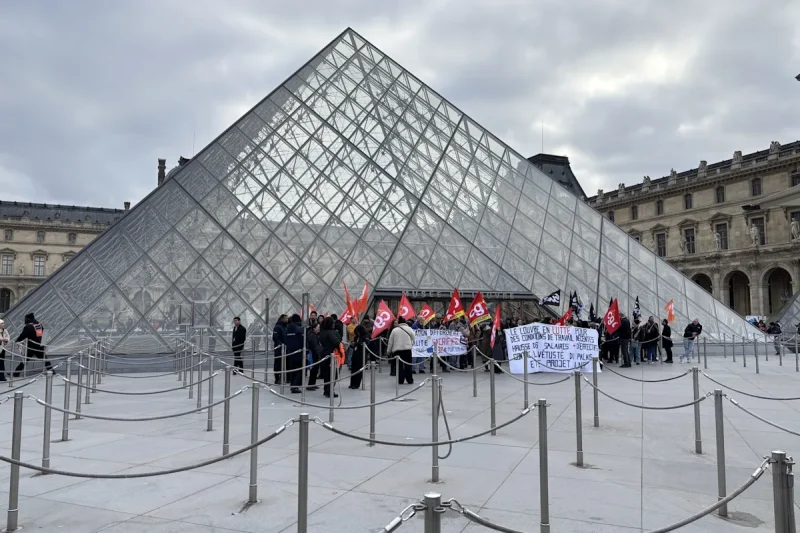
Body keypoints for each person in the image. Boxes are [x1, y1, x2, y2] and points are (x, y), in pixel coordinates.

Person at [318, 316, 342, 398]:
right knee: (333, 374)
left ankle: (326, 390)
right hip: (333, 354)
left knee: (327, 374)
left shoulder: (322, 332)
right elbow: (336, 342)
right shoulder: (331, 332)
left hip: (324, 354)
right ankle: (330, 391)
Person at [388, 316, 415, 384]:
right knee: (408, 365)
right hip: (407, 350)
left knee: (399, 366)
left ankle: (400, 380)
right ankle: (409, 379)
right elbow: (414, 339)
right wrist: (410, 345)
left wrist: (389, 351)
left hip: (397, 350)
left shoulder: (394, 330)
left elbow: (390, 342)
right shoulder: (409, 329)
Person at [284, 314, 304, 393]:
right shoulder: (299, 329)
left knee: (293, 369)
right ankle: (295, 386)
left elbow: (285, 339)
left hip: (290, 351)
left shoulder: (287, 328)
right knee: (298, 370)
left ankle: (293, 385)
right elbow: (302, 340)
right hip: (298, 351)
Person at [349, 319, 370, 389]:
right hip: (355, 354)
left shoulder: (366, 336)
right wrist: (352, 344)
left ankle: (356, 384)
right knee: (353, 369)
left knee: (359, 370)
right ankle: (352, 383)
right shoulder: (357, 336)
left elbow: (366, 344)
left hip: (361, 355)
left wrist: (357, 344)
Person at [304, 321, 323, 391]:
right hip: (314, 355)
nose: (319, 329)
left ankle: (313, 384)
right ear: (314, 328)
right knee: (313, 370)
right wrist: (319, 352)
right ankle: (310, 385)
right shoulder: (312, 335)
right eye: (318, 327)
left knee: (315, 370)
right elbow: (315, 346)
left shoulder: (314, 335)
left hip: (315, 354)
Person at [272, 315, 288, 385]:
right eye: (286, 318)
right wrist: (281, 345)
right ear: (282, 319)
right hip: (279, 349)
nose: (287, 320)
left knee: (283, 364)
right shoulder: (278, 327)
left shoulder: (285, 327)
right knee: (278, 364)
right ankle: (277, 379)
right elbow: (275, 338)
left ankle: (282, 378)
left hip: (285, 349)